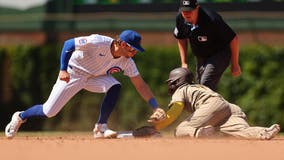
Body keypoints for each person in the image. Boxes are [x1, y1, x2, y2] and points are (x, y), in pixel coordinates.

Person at [5, 30, 166, 139]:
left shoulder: (127, 62)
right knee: (49, 111)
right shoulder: (98, 41)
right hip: (73, 73)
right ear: (123, 44)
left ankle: (100, 128)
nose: (135, 52)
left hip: (92, 78)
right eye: (133, 49)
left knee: (114, 86)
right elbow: (68, 44)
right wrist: (63, 69)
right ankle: (20, 116)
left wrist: (155, 106)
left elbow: (140, 84)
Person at [148, 67, 280, 140]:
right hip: (228, 107)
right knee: (239, 131)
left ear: (176, 81)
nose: (170, 85)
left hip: (210, 105)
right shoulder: (197, 87)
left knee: (180, 130)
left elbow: (175, 111)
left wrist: (155, 128)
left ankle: (202, 134)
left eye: (171, 82)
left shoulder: (182, 89)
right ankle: (263, 132)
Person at [173, 0, 241, 91]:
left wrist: (235, 64)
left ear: (197, 8)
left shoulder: (211, 19)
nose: (186, 13)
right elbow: (181, 38)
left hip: (220, 53)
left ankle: (209, 104)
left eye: (189, 10)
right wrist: (184, 62)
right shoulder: (180, 19)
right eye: (184, 11)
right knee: (199, 86)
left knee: (204, 85)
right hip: (201, 56)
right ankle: (212, 104)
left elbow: (234, 39)